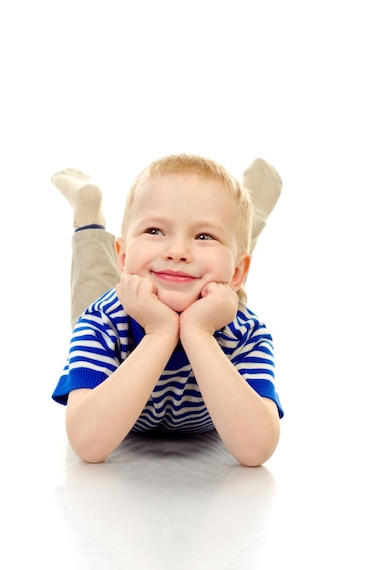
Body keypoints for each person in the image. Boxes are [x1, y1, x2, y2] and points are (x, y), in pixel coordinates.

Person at [51, 154, 284, 466]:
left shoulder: (245, 333)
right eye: (154, 231)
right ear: (121, 256)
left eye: (203, 236)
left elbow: (256, 450)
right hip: (127, 301)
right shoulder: (102, 321)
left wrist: (199, 333)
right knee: (92, 278)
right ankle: (87, 212)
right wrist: (160, 333)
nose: (177, 252)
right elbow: (88, 444)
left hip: (216, 294)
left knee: (221, 272)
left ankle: (243, 210)